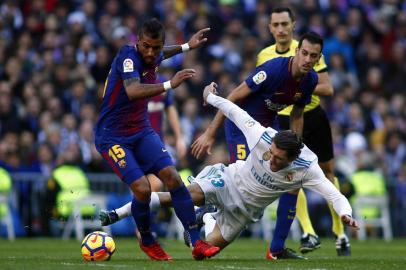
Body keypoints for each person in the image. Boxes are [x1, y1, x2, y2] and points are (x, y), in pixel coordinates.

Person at [141, 83, 359, 256]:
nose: (271, 159)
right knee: (178, 197)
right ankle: (117, 214)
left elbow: (334, 195)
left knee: (201, 254)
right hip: (229, 182)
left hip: (244, 212)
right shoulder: (263, 136)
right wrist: (210, 97)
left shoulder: (307, 167)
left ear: (292, 159)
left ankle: (208, 217)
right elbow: (233, 110)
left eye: (278, 158)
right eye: (272, 153)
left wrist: (346, 214)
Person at [94, 18, 219, 261]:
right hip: (112, 136)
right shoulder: (128, 56)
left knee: (173, 177)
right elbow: (132, 90)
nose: (151, 53)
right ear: (138, 42)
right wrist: (170, 84)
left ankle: (196, 242)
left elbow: (162, 53)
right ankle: (148, 240)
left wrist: (186, 47)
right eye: (147, 47)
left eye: (156, 47)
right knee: (142, 188)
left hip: (140, 130)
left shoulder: (155, 53)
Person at [191, 31, 323, 259]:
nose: (308, 60)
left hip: (267, 131)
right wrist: (210, 133)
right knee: (245, 186)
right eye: (305, 53)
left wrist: (295, 149)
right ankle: (206, 211)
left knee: (293, 181)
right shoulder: (272, 70)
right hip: (241, 127)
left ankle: (276, 249)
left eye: (314, 56)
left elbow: (298, 114)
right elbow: (232, 97)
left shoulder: (311, 80)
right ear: (296, 51)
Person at [257, 7, 350, 256]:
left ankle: (340, 234)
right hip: (284, 120)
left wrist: (300, 79)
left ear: (293, 25)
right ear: (269, 28)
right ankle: (308, 231)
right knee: (290, 175)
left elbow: (328, 87)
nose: (280, 29)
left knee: (328, 171)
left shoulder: (307, 50)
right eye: (275, 24)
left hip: (313, 116)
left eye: (284, 24)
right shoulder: (264, 55)